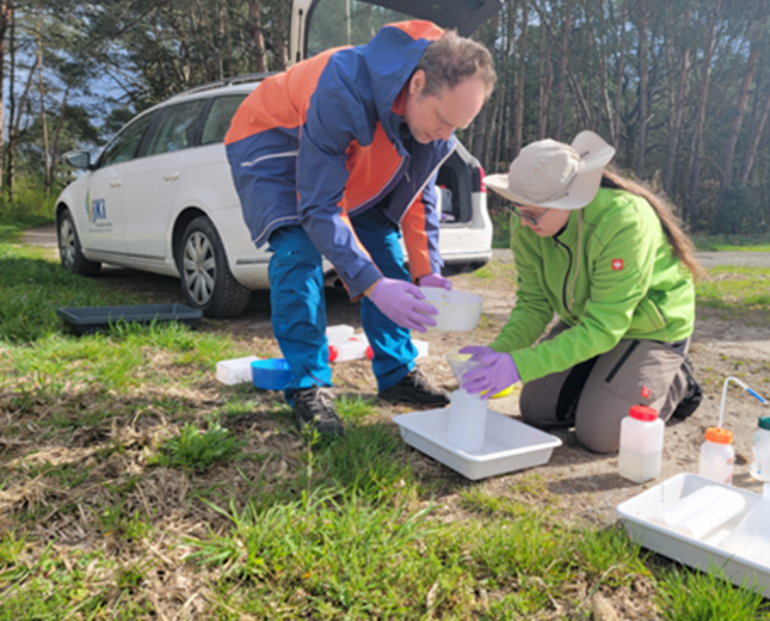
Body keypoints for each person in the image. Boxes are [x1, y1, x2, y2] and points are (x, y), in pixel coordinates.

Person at [224, 22, 496, 436]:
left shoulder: (436, 125)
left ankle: (396, 372)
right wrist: (371, 285)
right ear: (417, 83)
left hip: (340, 150)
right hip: (273, 135)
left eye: (457, 126)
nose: (447, 135)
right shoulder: (343, 89)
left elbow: (415, 195)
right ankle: (308, 384)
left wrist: (429, 271)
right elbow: (318, 205)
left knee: (384, 251)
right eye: (442, 119)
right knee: (297, 248)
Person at [460, 131, 705, 453]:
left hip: (648, 328)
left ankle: (678, 381)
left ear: (568, 201)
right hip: (587, 322)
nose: (523, 221)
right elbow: (533, 304)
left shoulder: (621, 220)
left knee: (602, 435)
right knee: (537, 409)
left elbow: (606, 326)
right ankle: (606, 379)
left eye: (533, 212)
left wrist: (519, 366)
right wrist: (501, 351)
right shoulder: (528, 224)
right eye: (517, 208)